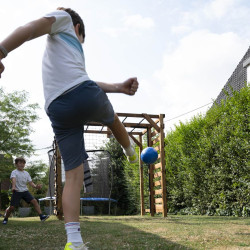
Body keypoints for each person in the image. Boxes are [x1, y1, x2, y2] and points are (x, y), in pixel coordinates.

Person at [0, 7, 138, 250]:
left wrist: (118, 86)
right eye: (81, 39)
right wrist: (1, 50)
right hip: (82, 94)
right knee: (113, 118)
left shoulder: (65, 54)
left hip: (57, 107)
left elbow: (84, 79)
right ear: (78, 29)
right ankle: (130, 151)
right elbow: (29, 29)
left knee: (72, 177)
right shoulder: (64, 19)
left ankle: (74, 242)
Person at [2, 157, 49, 225]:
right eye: (20, 163)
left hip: (25, 191)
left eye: (23, 163)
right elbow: (13, 179)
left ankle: (41, 216)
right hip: (17, 191)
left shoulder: (26, 173)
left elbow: (30, 182)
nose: (22, 165)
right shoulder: (14, 172)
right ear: (16, 164)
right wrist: (13, 187)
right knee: (12, 207)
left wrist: (36, 186)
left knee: (34, 201)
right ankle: (6, 218)